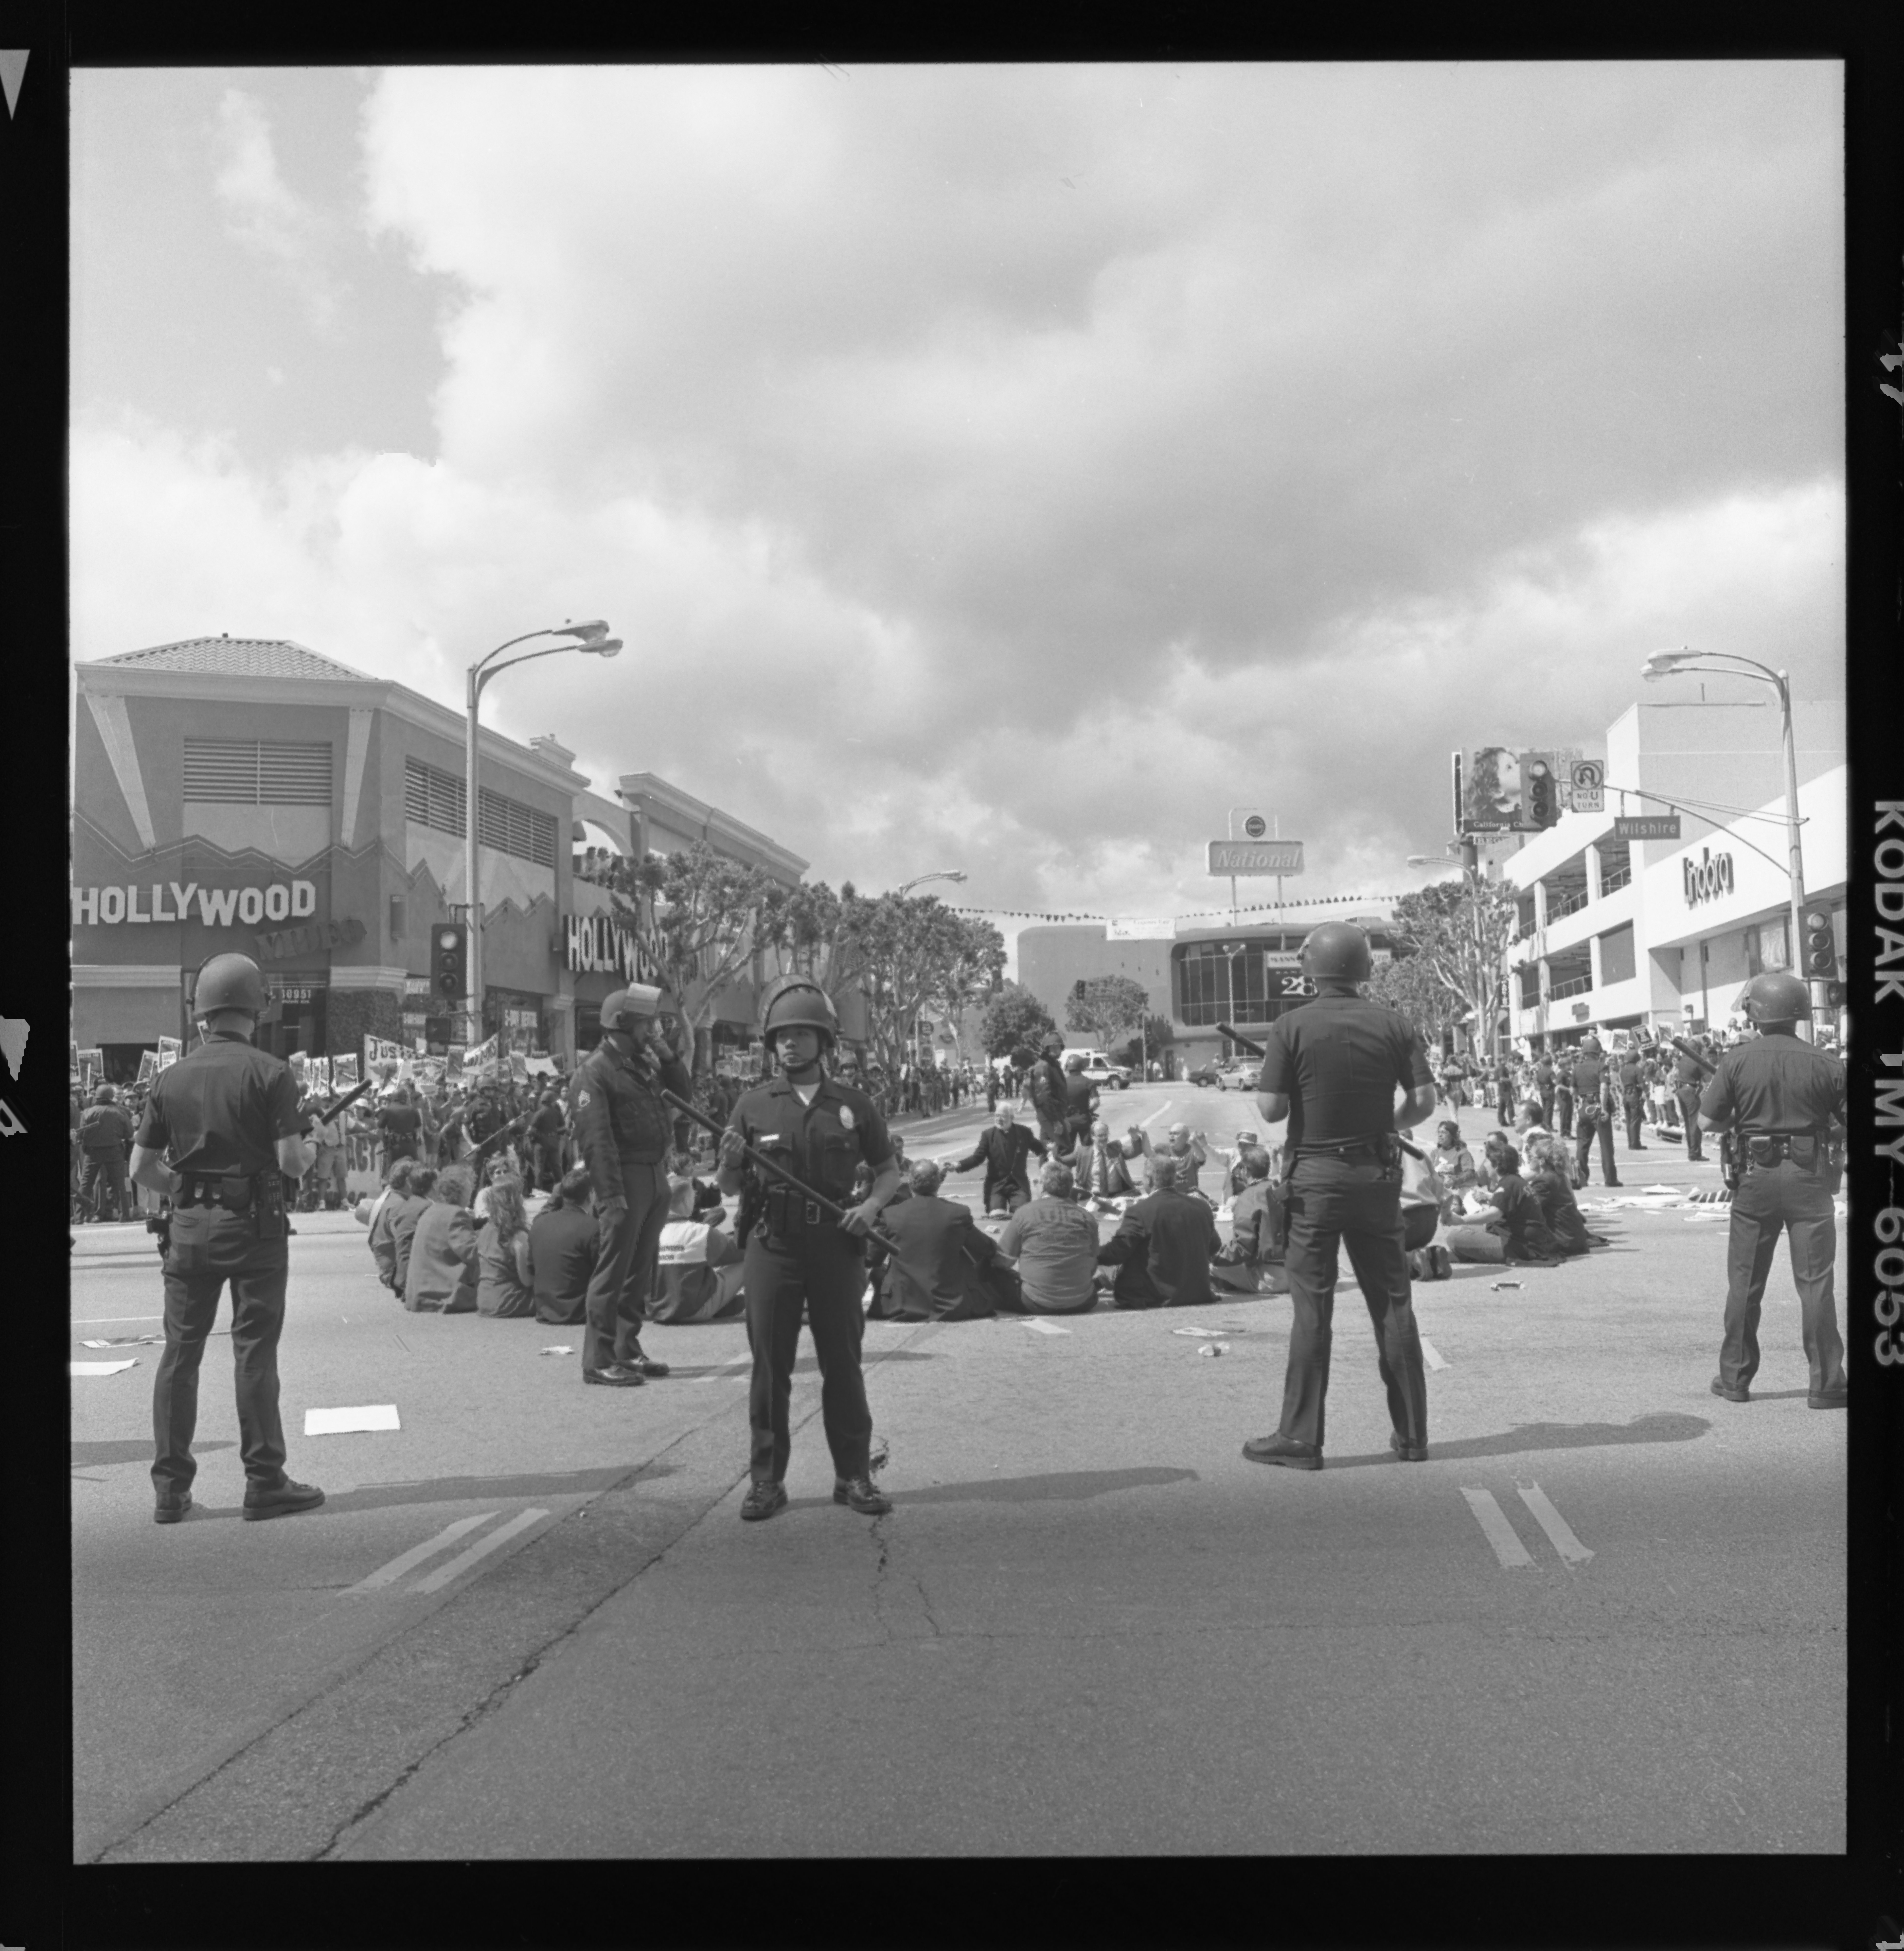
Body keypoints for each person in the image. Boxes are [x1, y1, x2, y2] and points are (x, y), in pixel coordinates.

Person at [126, 952, 324, 1525]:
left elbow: (142, 1168)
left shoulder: (168, 1078)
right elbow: (290, 1163)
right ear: (255, 1009)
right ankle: (264, 1481)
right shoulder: (271, 1072)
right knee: (254, 1354)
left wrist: (185, 1189)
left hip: (187, 1229)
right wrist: (312, 1148)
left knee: (179, 1356)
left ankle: (170, 1490)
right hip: (254, 1230)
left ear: (201, 1016)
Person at [1244, 920, 1436, 1470]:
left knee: (1312, 1310)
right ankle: (1412, 1437)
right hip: (1376, 1174)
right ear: (1362, 969)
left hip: (1316, 1179)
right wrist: (1385, 1124)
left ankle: (1302, 1439)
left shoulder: (1291, 1025)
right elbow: (1422, 1101)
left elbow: (1272, 1110)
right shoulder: (1393, 1023)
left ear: (1310, 968)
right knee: (1393, 1303)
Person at [717, 977, 900, 1521]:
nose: (789, 1045)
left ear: (825, 1043)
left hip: (836, 1246)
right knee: (769, 1368)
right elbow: (728, 1187)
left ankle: (853, 1476)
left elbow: (889, 1172)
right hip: (772, 1246)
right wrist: (729, 1161)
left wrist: (869, 1208)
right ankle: (767, 1481)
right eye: (781, 1037)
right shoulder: (751, 1106)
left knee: (842, 1364)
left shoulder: (852, 1105)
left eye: (802, 1035)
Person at [1698, 971, 1847, 1409]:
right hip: (1809, 1177)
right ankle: (1825, 1383)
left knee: (1745, 1283)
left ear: (1756, 1013)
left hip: (1755, 1177)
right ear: (1799, 1013)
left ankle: (1734, 1379)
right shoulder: (1826, 1062)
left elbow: (1707, 1122)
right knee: (1816, 1284)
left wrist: (1743, 1118)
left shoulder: (1736, 1060)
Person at [569, 985, 694, 1388]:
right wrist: (610, 1193)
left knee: (639, 1271)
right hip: (624, 1177)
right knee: (613, 1272)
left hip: (654, 1173)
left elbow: (684, 1094)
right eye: (645, 1022)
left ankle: (627, 1348)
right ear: (623, 1023)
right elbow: (596, 1138)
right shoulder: (595, 1070)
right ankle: (599, 1359)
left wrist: (667, 1053)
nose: (652, 1028)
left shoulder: (640, 1063)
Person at [870, 1159, 1006, 1322]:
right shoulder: (958, 1213)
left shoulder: (892, 1215)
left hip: (901, 1304)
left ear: (911, 1184)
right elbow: (985, 1248)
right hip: (953, 1305)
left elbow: (872, 1257)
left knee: (877, 1271)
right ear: (938, 1183)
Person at [1096, 1153, 1222, 1307]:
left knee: (1104, 1262)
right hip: (1198, 1291)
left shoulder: (1140, 1212)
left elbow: (1117, 1253)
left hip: (1155, 1294)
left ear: (1149, 1179)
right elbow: (1214, 1247)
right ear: (1174, 1179)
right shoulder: (1202, 1207)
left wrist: (1090, 1254)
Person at [993, 1159, 1101, 1314]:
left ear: (1043, 1186)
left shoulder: (1025, 1213)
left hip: (1035, 1301)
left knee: (991, 1275)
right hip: (1083, 1301)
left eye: (1038, 1181)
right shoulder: (1086, 1217)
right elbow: (1093, 1261)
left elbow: (1003, 1260)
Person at [650, 1174, 747, 1324]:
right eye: (693, 1197)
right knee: (749, 1259)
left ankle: (726, 1305)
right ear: (686, 1201)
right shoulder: (700, 1232)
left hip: (657, 1311)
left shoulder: (650, 1234)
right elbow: (740, 1252)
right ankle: (756, 1301)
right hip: (695, 1311)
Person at [1443, 1145, 1562, 1264]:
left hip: (1518, 1245)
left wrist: (1461, 1220)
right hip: (1527, 1241)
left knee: (1454, 1237)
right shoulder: (1515, 1181)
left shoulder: (1508, 1184)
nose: (1485, 1165)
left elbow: (1495, 1214)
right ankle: (1462, 1254)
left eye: (1488, 1162)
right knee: (1467, 1231)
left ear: (1497, 1166)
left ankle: (1459, 1254)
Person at [944, 1104, 1046, 1216]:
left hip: (1018, 1185)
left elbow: (1040, 1149)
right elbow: (978, 1158)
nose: (999, 1120)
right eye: (997, 1116)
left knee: (1022, 1215)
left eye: (1003, 1116)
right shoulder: (988, 1135)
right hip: (997, 1185)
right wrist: (958, 1165)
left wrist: (1051, 1150)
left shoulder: (1024, 1133)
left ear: (1012, 1118)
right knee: (997, 1216)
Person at [528, 1165, 599, 1325]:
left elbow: (531, 1269)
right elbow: (604, 1272)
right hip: (579, 1312)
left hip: (545, 1310)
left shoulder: (539, 1224)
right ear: (591, 1195)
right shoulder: (593, 1228)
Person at [404, 1163, 480, 1312]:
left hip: (420, 1292)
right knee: (500, 1294)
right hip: (439, 1295)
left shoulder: (432, 1210)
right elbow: (473, 1253)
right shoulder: (455, 1215)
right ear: (463, 1190)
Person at [1213, 1147, 1286, 1294]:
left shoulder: (1248, 1197)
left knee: (1208, 1266)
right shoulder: (1281, 1188)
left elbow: (1243, 1249)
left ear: (1246, 1170)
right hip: (1299, 1272)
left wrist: (1213, 1256)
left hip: (1271, 1277)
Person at [473, 1174, 537, 1317]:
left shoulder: (485, 1230)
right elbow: (527, 1281)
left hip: (484, 1300)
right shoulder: (518, 1236)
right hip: (507, 1302)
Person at [1570, 1035, 1621, 1188]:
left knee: (1582, 1145)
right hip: (1598, 1107)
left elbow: (1573, 1090)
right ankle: (1610, 1179)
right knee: (1606, 1145)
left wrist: (1581, 1103)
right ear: (1597, 1051)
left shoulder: (1577, 1068)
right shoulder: (1601, 1066)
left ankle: (1581, 1177)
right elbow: (1604, 1087)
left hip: (1584, 1107)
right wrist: (1604, 1107)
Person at [80, 1083, 134, 1222]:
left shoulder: (87, 1113)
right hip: (114, 1151)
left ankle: (79, 1216)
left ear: (97, 1096)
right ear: (111, 1096)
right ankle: (125, 1215)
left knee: (86, 1184)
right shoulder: (119, 1112)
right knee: (120, 1184)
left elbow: (81, 1136)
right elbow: (129, 1133)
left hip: (93, 1152)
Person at [364, 1158, 415, 1288]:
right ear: (409, 1182)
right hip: (396, 1273)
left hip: (391, 1269)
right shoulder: (399, 1205)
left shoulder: (391, 1197)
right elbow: (405, 1241)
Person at [388, 1164, 436, 1297]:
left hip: (400, 1276)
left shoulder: (409, 1204)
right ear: (434, 1186)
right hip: (413, 1279)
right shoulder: (428, 1208)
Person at [1075, 1118, 1139, 1201]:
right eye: (1101, 1136)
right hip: (1094, 1198)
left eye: (1106, 1135)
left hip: (1117, 1197)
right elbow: (1064, 1161)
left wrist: (1135, 1137)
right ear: (1093, 1137)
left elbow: (1135, 1151)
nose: (1104, 1138)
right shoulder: (1083, 1153)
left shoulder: (1116, 1149)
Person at [1027, 1033, 1069, 1153]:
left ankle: (1047, 1170)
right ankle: (1053, 1171)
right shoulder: (1043, 1067)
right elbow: (1044, 1097)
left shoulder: (1054, 1065)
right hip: (1049, 1114)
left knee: (1049, 1149)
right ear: (1047, 1049)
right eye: (1053, 1047)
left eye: (1059, 1047)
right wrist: (1055, 1121)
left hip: (1055, 1113)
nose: (1057, 1050)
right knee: (1063, 1149)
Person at [1150, 1122, 1210, 1200]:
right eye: (1170, 1133)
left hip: (1189, 1195)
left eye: (1176, 1134)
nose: (1172, 1136)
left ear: (1186, 1138)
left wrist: (1194, 1143)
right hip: (1169, 1195)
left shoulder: (1192, 1150)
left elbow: (1202, 1158)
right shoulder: (1163, 1149)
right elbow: (1148, 1153)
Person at [307, 1100, 348, 1210]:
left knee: (341, 1176)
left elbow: (354, 1126)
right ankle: (322, 1203)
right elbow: (316, 1131)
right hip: (327, 1148)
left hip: (340, 1148)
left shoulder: (344, 1116)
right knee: (323, 1177)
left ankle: (345, 1202)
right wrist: (320, 1145)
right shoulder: (322, 1116)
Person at [377, 1084, 424, 1180]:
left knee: (394, 1170)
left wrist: (385, 1142)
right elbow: (418, 1131)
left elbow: (380, 1130)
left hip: (395, 1146)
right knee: (413, 1169)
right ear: (406, 1098)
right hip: (411, 1145)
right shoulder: (413, 1110)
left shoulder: (388, 1111)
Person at [1059, 1053, 1099, 1163]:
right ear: (1082, 1067)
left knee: (1066, 1152)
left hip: (1067, 1121)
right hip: (1084, 1120)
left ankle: (1065, 1176)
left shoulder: (1062, 1084)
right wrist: (1089, 1110)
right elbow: (1096, 1102)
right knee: (1089, 1150)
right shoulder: (1089, 1082)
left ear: (1068, 1067)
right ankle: (1088, 1175)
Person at [1674, 1038, 1709, 1162]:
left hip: (1681, 1091)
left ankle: (1692, 1151)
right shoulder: (1697, 1061)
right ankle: (1695, 1153)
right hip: (1690, 1091)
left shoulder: (1682, 1061)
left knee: (1689, 1124)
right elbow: (1708, 1079)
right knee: (1695, 1123)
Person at [1618, 1043, 1648, 1153]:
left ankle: (1631, 1143)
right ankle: (1636, 1144)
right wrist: (1647, 1092)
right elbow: (1642, 1084)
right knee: (1636, 1120)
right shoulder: (1637, 1069)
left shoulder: (1623, 1070)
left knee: (1629, 1120)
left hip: (1626, 1095)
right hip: (1635, 1095)